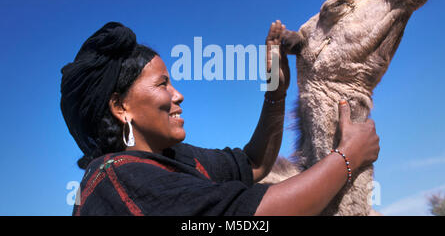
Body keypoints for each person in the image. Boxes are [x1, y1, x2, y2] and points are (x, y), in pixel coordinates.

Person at [60, 21, 379, 216]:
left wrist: (275, 91)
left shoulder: (170, 159)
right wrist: (349, 156)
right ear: (120, 107)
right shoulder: (118, 181)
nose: (178, 95)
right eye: (162, 84)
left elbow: (255, 164)